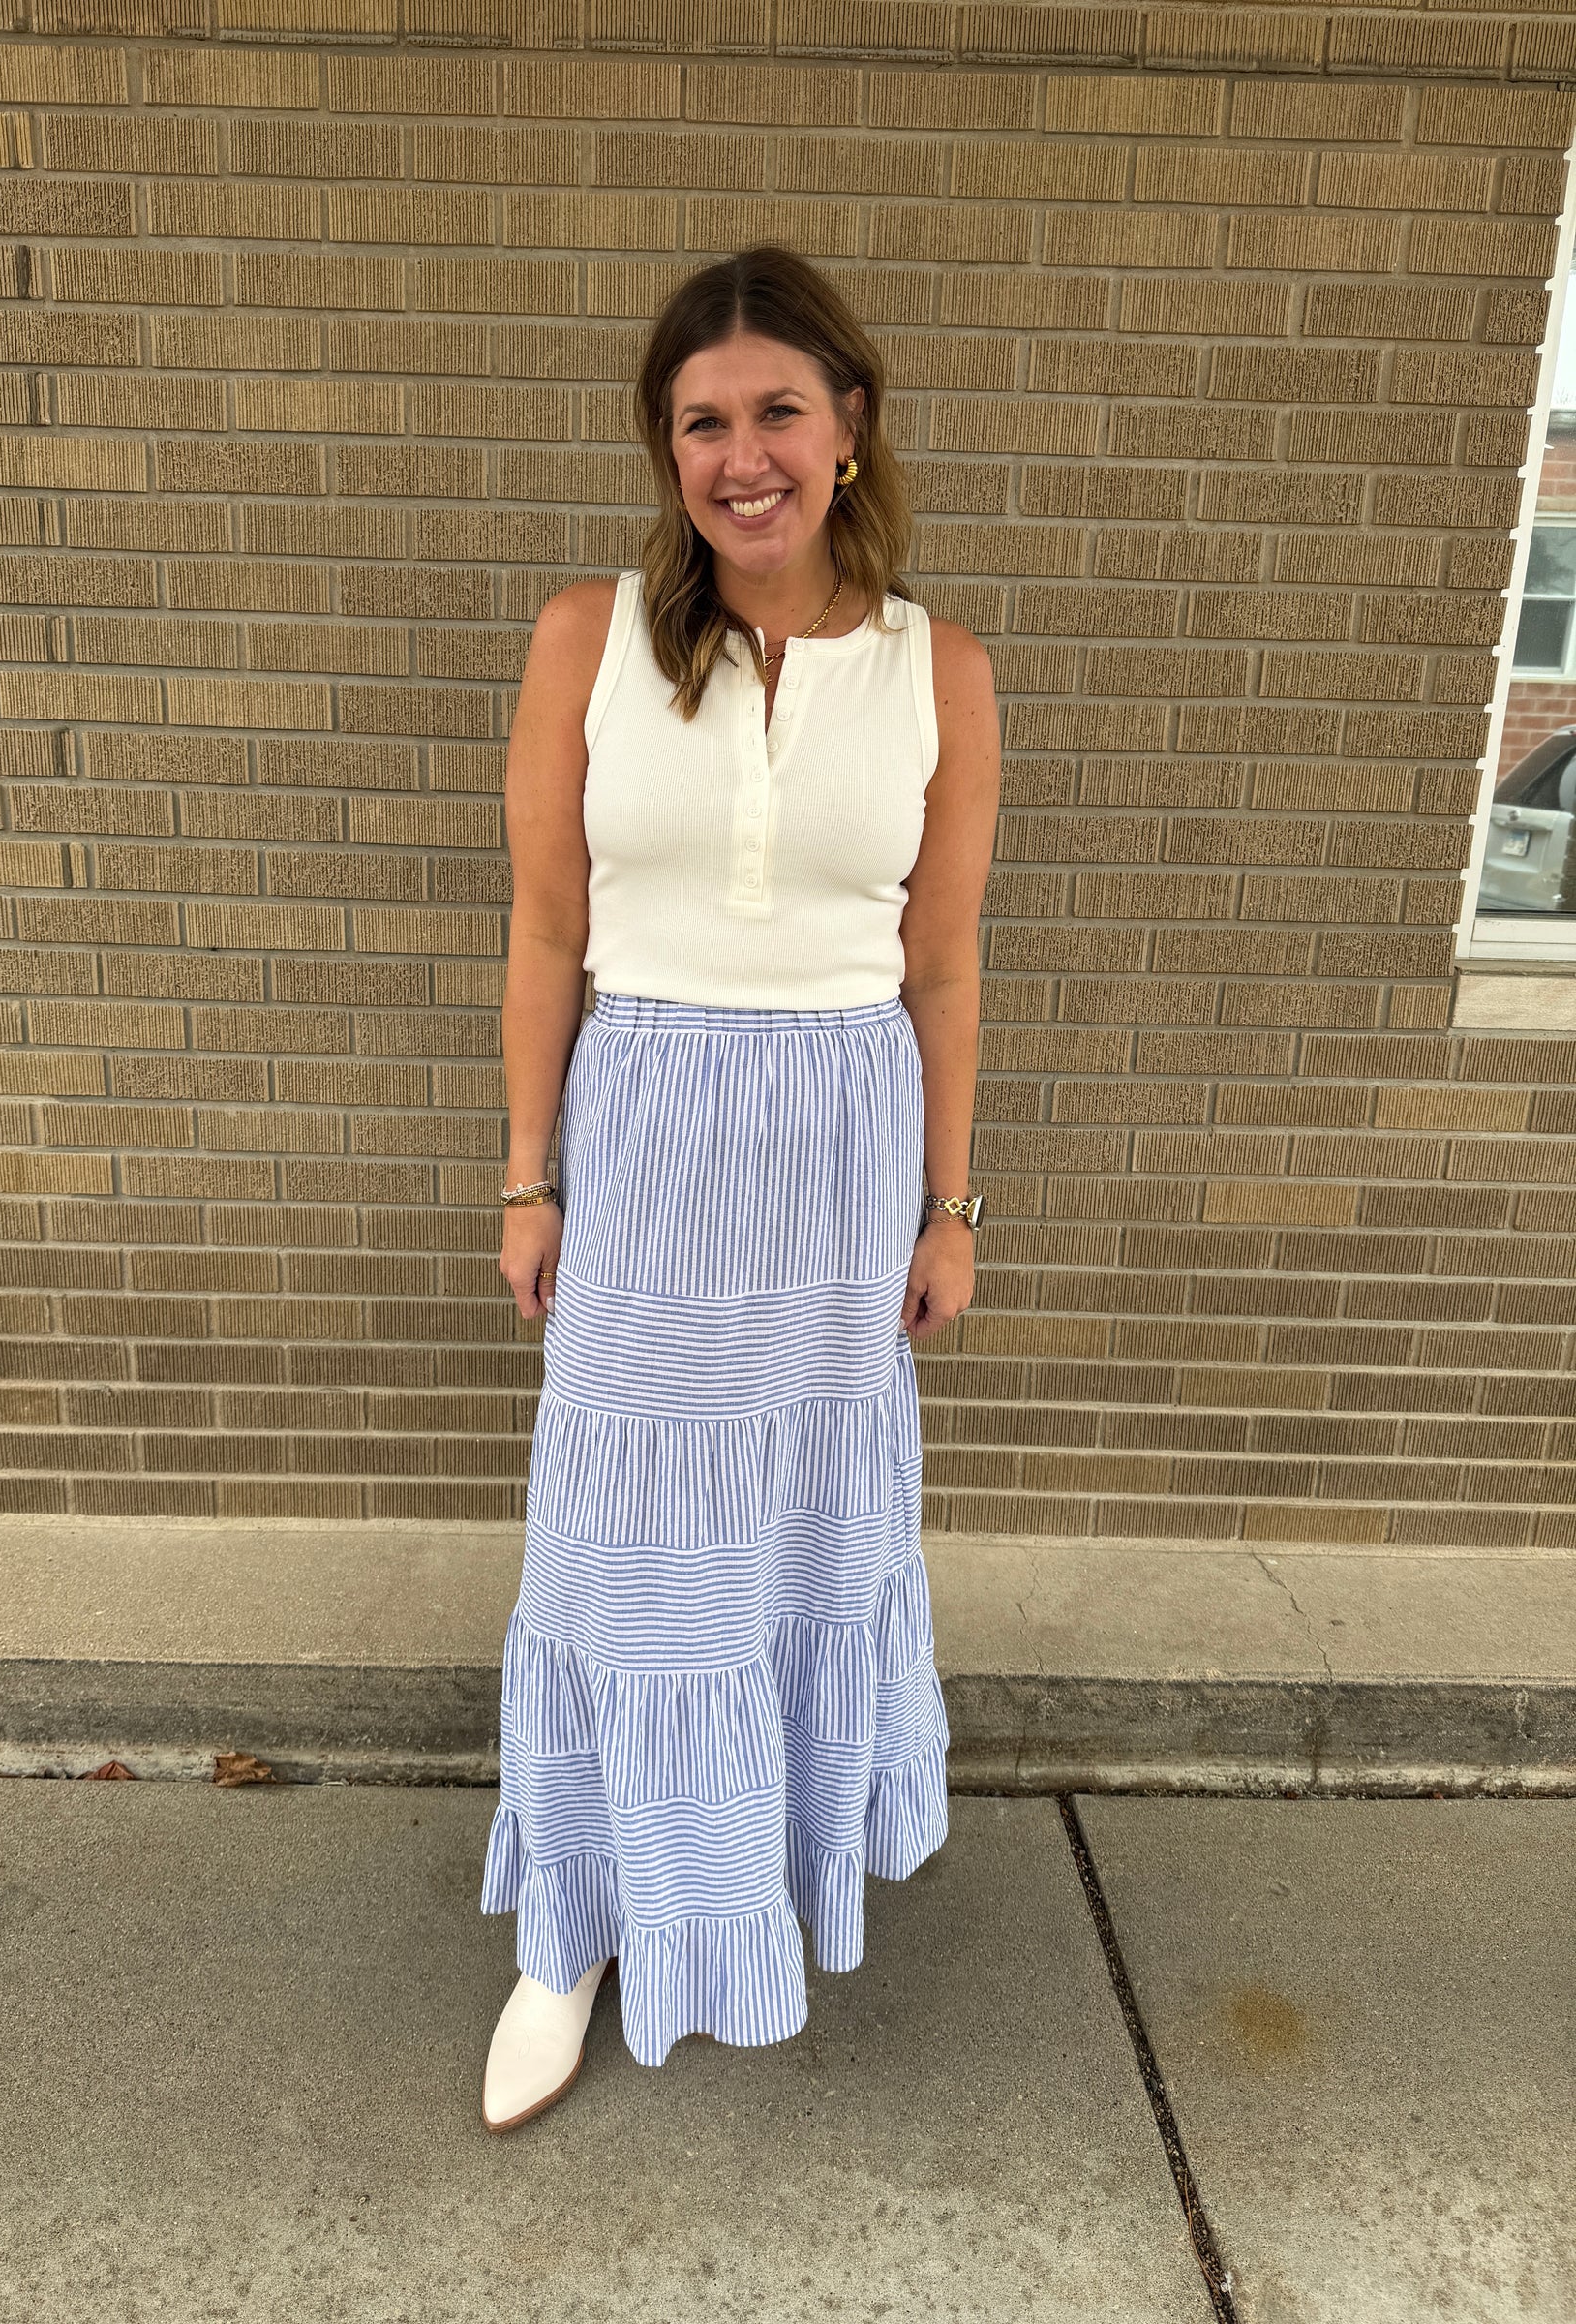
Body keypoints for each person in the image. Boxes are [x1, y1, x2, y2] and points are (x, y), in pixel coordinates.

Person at [478, 243, 1002, 2131]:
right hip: (649, 1143)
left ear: (850, 429)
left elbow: (941, 966)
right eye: (703, 421)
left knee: (788, 1531)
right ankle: (577, 1923)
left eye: (779, 409)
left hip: (842, 1165)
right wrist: (529, 1178)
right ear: (669, 450)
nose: (742, 453)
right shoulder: (586, 638)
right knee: (620, 1545)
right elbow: (548, 930)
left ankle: (746, 1869)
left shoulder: (942, 671)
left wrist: (949, 1207)